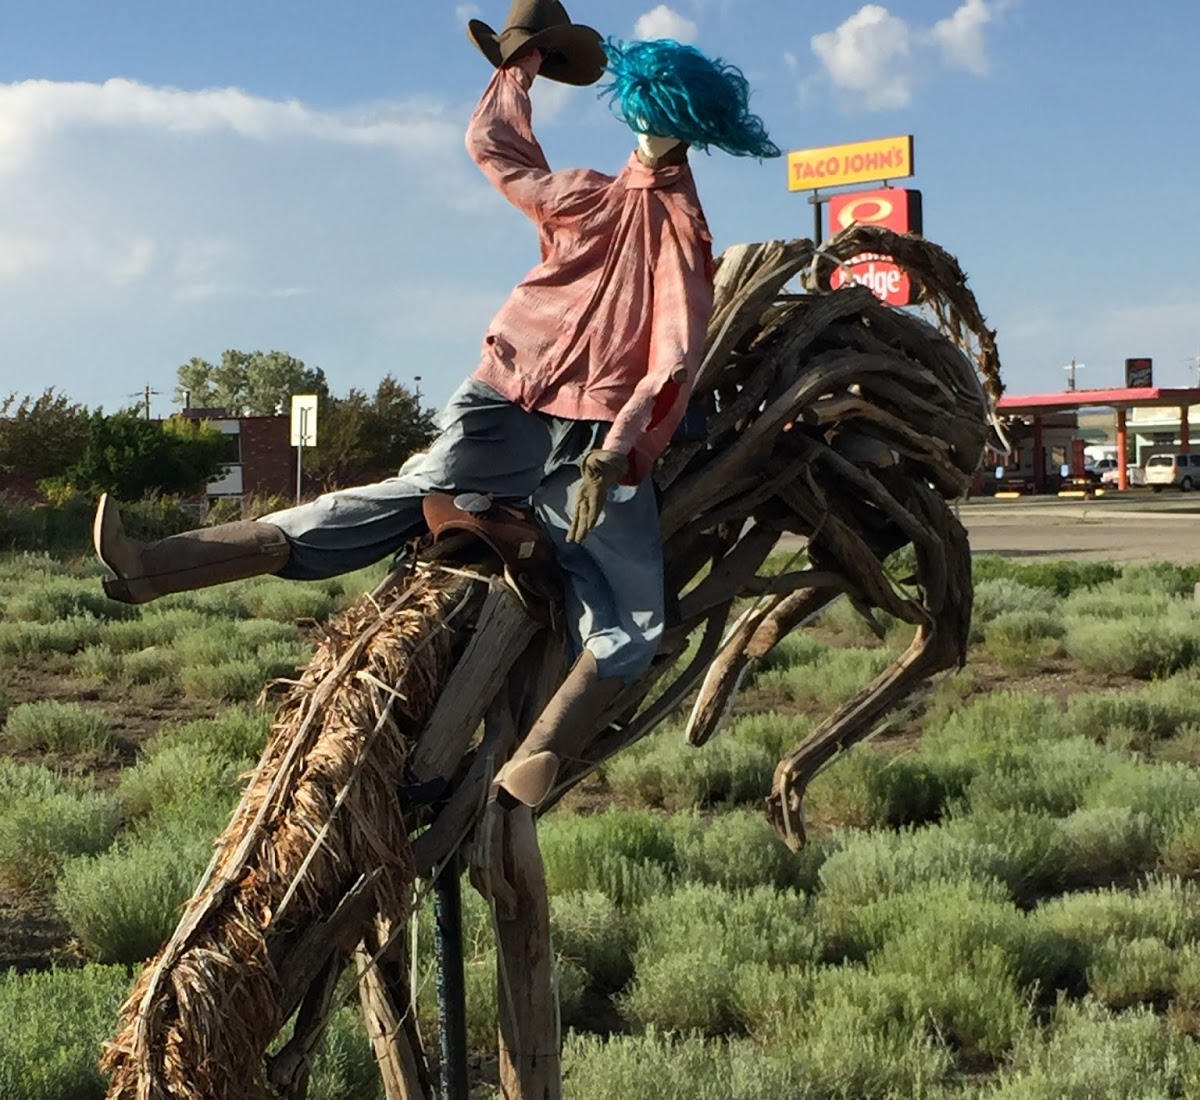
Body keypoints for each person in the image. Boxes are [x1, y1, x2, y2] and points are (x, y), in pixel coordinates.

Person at [93, 0, 780, 807]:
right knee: (587, 587)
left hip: (573, 420)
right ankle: (159, 565)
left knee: (606, 590)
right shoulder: (609, 202)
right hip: (522, 401)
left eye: (653, 113)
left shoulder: (663, 225)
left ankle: (541, 755)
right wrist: (517, 70)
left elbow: (670, 354)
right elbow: (503, 151)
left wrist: (618, 450)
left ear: (665, 119)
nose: (646, 125)